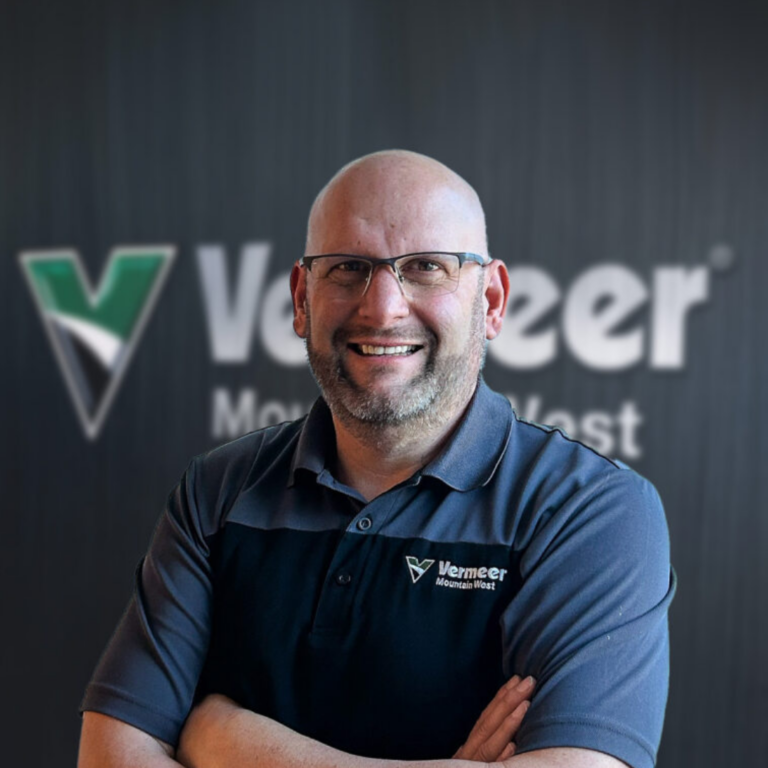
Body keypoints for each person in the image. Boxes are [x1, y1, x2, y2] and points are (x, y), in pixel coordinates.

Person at [77, 150, 676, 768]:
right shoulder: (217, 493)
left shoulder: (589, 510)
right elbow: (109, 758)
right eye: (347, 268)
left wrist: (231, 741)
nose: (383, 308)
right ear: (302, 297)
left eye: (426, 267)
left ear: (491, 300)